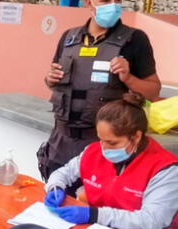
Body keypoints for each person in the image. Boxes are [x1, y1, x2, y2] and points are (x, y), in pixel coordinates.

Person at [38, 0, 161, 196]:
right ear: (89, 3)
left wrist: (128, 78)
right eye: (105, 0)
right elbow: (55, 83)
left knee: (94, 215)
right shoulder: (69, 37)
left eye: (117, 0)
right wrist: (49, 79)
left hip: (103, 147)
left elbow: (153, 90)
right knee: (56, 209)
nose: (112, 5)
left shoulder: (135, 40)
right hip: (60, 145)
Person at [44, 92, 178, 229]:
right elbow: (63, 173)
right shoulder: (93, 152)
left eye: (112, 143)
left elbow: (152, 220)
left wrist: (95, 215)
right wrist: (55, 187)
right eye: (101, 140)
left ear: (136, 136)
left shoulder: (167, 170)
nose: (104, 148)